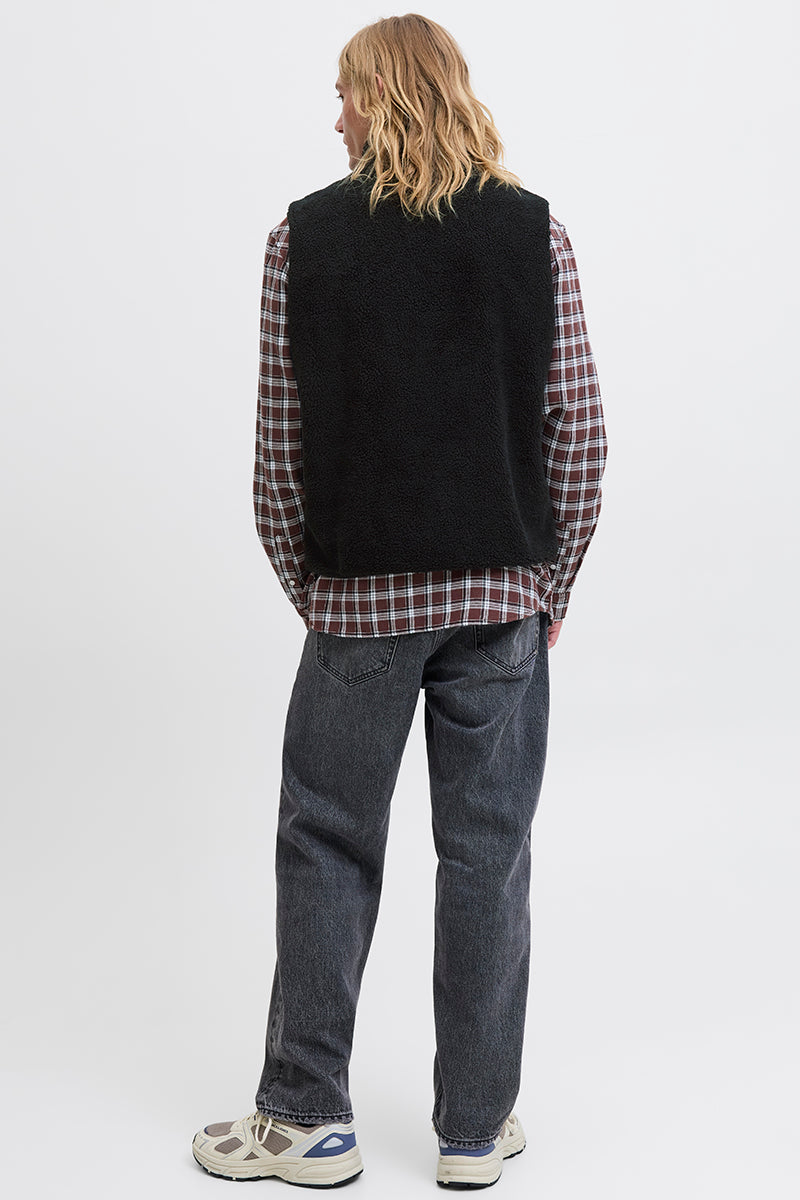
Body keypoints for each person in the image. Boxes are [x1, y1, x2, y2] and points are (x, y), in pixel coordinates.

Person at [192, 12, 606, 1191]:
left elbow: (279, 457)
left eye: (346, 94)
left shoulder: (302, 239)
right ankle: (473, 1129)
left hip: (357, 601)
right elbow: (577, 432)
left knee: (326, 843)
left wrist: (316, 589)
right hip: (497, 599)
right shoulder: (534, 233)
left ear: (387, 97)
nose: (334, 117)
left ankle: (305, 1122)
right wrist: (545, 584)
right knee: (487, 856)